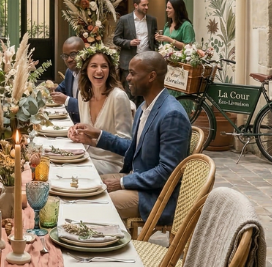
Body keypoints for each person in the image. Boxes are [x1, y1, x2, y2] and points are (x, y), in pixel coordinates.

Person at [70, 52, 190, 224]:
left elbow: (167, 172)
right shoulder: (144, 107)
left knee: (94, 203)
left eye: (133, 73)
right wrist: (97, 136)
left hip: (155, 195)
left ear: (151, 76)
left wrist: (123, 182)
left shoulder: (172, 115)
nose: (127, 78)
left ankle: (108, 245)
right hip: (138, 180)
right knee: (82, 186)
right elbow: (132, 148)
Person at [68, 44, 132, 175]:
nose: (99, 71)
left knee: (69, 172)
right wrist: (76, 131)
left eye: (104, 66)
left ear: (110, 70)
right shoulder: (83, 94)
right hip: (86, 156)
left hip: (112, 163)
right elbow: (88, 133)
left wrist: (96, 135)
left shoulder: (118, 97)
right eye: (94, 66)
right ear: (85, 70)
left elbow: (127, 145)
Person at [114, 0, 158, 94]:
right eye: (143, 5)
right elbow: (116, 39)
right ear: (135, 5)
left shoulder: (152, 20)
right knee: (130, 92)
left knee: (145, 92)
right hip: (129, 62)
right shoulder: (124, 20)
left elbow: (155, 41)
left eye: (147, 5)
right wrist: (129, 42)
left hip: (147, 63)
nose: (146, 7)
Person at [51, 36, 84, 124]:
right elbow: (61, 88)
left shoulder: (91, 76)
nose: (69, 59)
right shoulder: (69, 72)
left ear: (84, 53)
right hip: (72, 124)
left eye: (73, 54)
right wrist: (50, 89)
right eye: (65, 56)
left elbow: (89, 107)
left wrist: (66, 100)